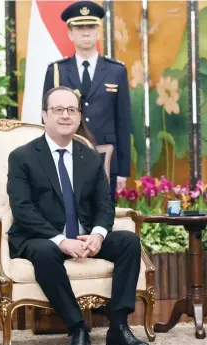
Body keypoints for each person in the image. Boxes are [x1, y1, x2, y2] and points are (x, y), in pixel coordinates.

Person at [7, 87, 149, 345]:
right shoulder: (23, 156)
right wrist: (61, 240)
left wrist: (97, 234)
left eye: (72, 110)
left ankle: (118, 327)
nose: (65, 115)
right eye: (58, 110)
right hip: (41, 237)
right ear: (44, 115)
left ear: (79, 116)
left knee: (128, 241)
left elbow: (104, 204)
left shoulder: (89, 156)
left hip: (84, 237)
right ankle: (77, 329)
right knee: (47, 252)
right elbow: (22, 209)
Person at [43, 1, 131, 201]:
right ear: (70, 34)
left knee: (102, 217)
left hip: (106, 158)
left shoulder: (116, 71)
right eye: (79, 27)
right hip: (66, 154)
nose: (85, 33)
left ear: (98, 32)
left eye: (90, 27)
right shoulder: (56, 71)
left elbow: (123, 122)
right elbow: (46, 120)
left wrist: (123, 170)